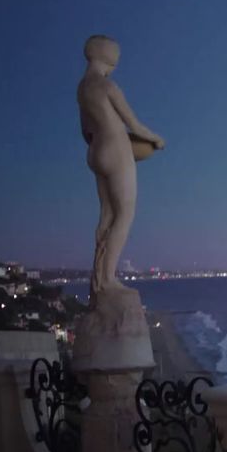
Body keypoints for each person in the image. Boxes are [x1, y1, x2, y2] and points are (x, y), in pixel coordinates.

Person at [77, 34, 164, 298]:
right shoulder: (108, 87)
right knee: (124, 215)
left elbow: (86, 129)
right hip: (116, 148)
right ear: (109, 58)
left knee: (106, 216)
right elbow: (134, 125)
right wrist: (156, 140)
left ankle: (98, 278)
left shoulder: (82, 89)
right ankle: (108, 278)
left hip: (95, 150)